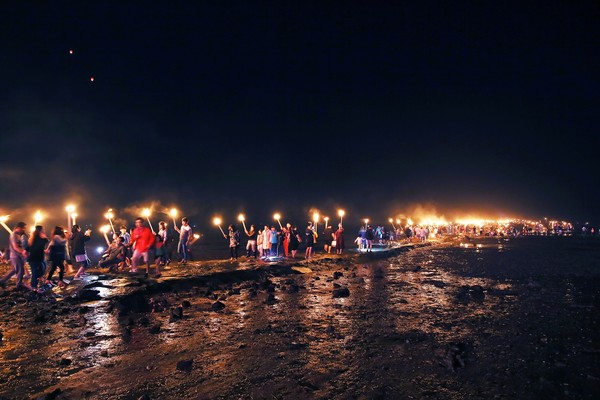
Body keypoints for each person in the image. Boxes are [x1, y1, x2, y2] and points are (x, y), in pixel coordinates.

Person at [0, 222, 30, 290]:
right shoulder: (14, 235)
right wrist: (23, 252)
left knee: (13, 270)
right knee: (20, 270)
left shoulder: (17, 235)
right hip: (16, 256)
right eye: (23, 228)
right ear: (19, 228)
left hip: (16, 256)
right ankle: (19, 285)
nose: (24, 230)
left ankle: (1, 281)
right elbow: (15, 247)